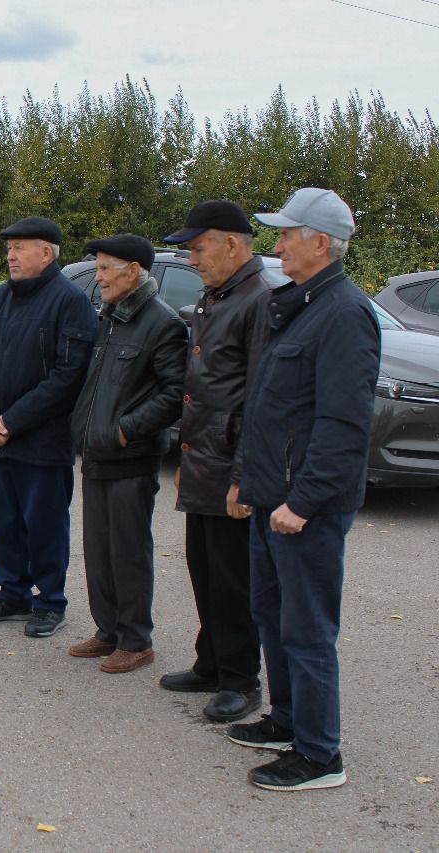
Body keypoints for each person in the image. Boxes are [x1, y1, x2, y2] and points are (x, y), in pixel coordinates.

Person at [230, 188, 380, 792]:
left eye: (287, 235)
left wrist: (302, 502)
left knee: (308, 629)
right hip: (274, 498)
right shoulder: (296, 306)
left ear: (321, 243)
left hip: (304, 508)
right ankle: (288, 721)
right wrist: (249, 479)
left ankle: (320, 756)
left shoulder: (344, 313)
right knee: (272, 615)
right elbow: (269, 408)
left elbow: (344, 427)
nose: (277, 244)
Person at [159, 201, 269, 721]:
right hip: (205, 458)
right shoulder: (218, 296)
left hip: (231, 466)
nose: (193, 259)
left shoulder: (258, 299)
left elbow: (260, 399)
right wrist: (186, 453)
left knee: (233, 579)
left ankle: (241, 680)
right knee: (204, 570)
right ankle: (211, 663)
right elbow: (201, 389)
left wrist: (243, 477)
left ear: (231, 244)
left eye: (199, 248)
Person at [0, 216, 96, 637]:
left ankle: (50, 601)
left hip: (43, 440)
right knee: (4, 520)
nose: (10, 255)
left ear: (46, 252)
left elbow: (67, 376)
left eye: (20, 247)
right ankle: (13, 593)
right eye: (9, 247)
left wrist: (13, 420)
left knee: (44, 523)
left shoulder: (69, 301)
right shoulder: (1, 298)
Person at [67, 235, 187, 673]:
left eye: (104, 268)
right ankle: (109, 631)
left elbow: (174, 394)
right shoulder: (110, 317)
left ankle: (136, 639)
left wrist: (123, 432)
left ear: (133, 270)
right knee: (98, 548)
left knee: (128, 549)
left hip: (129, 457)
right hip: (96, 452)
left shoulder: (163, 323)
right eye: (96, 268)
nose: (97, 278)